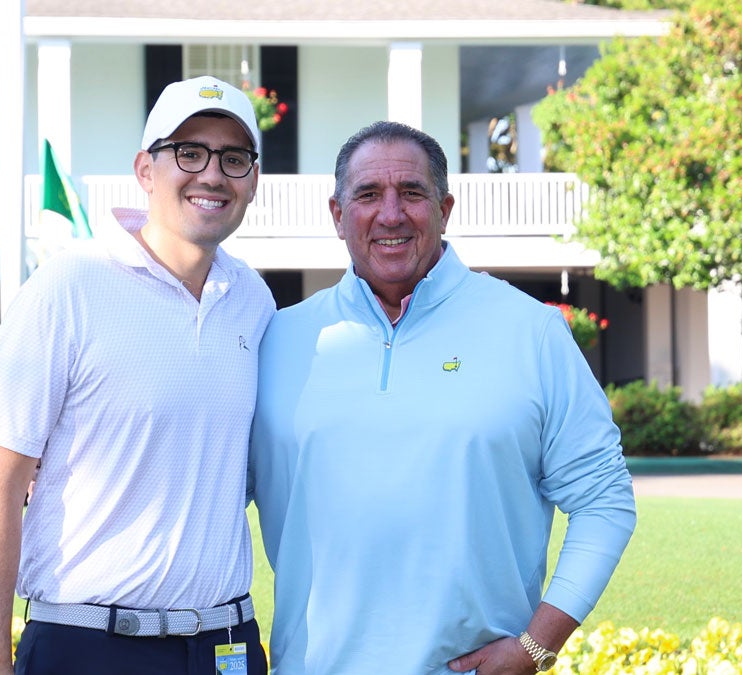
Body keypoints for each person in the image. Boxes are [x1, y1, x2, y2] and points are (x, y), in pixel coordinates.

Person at [249, 121, 637, 674]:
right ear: (337, 216)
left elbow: (604, 500)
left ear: (445, 209)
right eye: (367, 195)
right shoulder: (278, 342)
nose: (391, 214)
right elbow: (205, 503)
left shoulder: (530, 332)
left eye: (412, 193)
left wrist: (537, 646)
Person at [0, 75, 275, 675]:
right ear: (145, 168)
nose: (212, 174)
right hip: (90, 645)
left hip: (226, 645)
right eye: (189, 152)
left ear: (253, 179)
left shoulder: (253, 300)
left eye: (233, 158)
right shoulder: (67, 287)